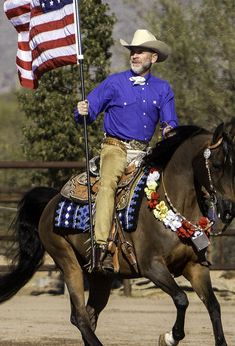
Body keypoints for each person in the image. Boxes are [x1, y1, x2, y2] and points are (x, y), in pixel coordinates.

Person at [75, 28, 179, 273]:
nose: (134, 55)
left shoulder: (163, 89)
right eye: (132, 51)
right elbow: (89, 113)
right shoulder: (113, 82)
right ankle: (100, 247)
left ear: (153, 58)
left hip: (146, 152)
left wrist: (169, 132)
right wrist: (82, 111)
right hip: (115, 148)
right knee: (108, 185)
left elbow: (169, 123)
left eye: (140, 52)